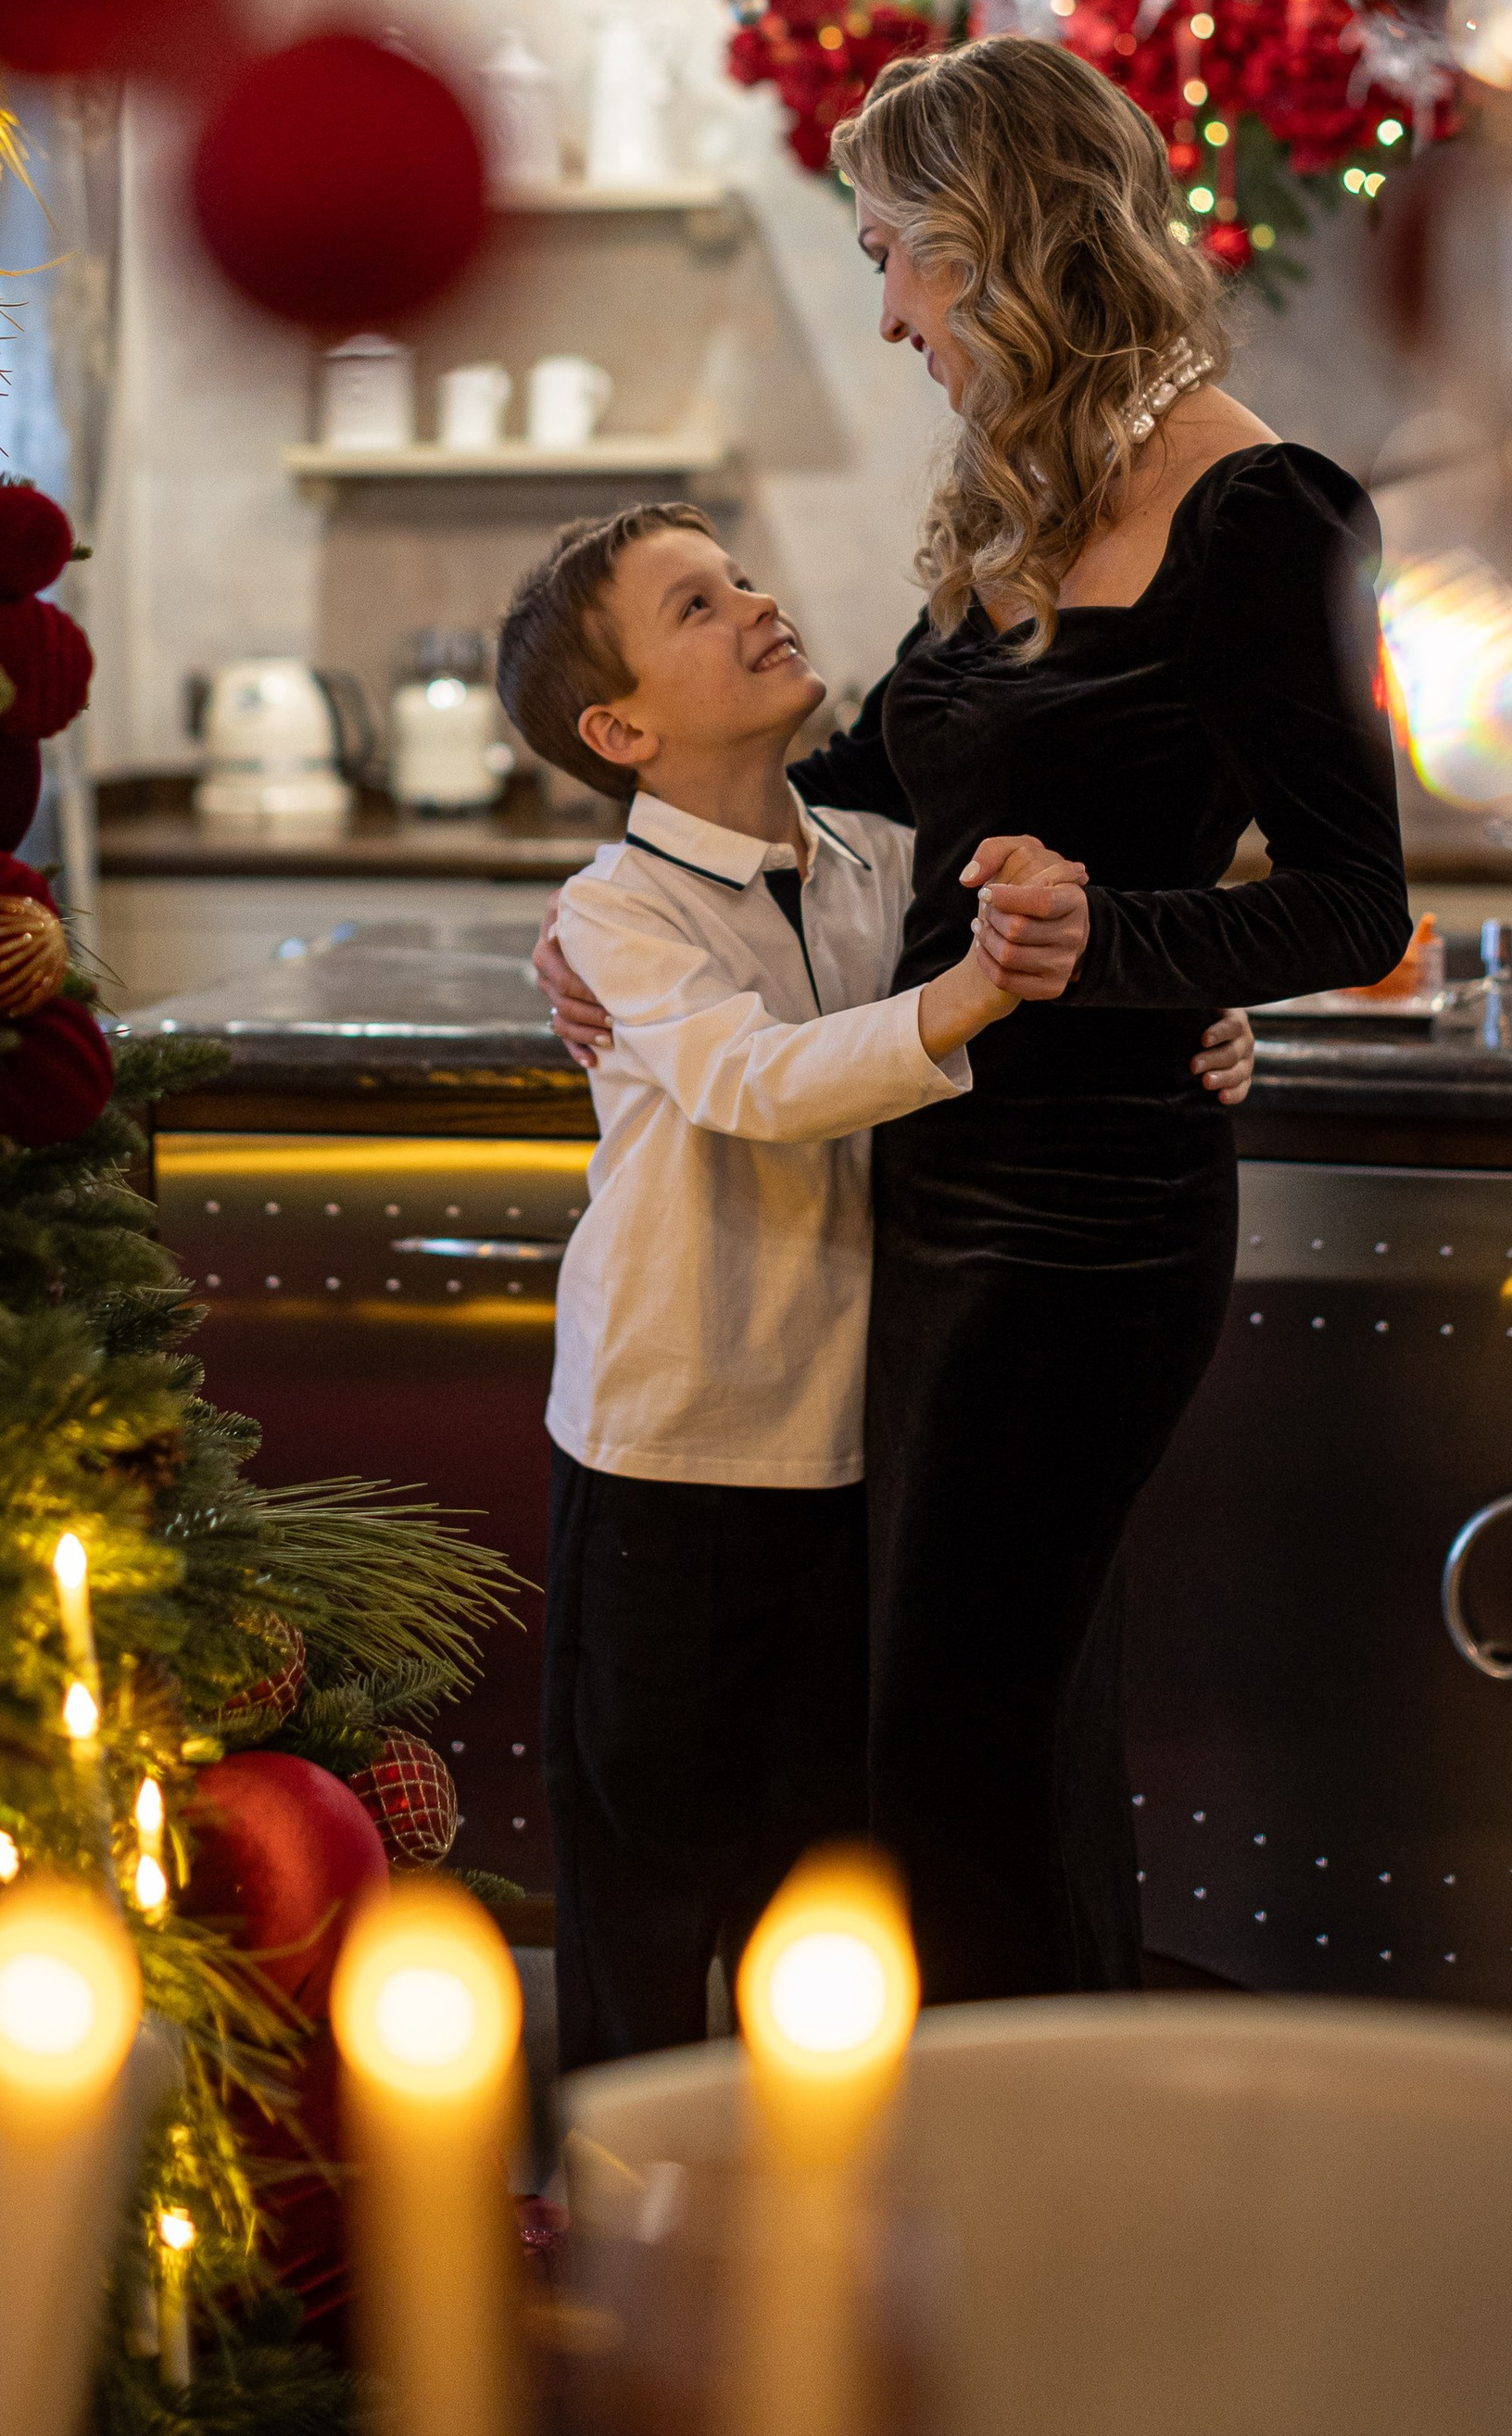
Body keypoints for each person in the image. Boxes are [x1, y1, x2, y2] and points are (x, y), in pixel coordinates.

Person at [539, 34, 1411, 2007]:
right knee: (963, 1740)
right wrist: (622, 910)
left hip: (1088, 1228)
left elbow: (1354, 901)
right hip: (917, 1190)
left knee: (953, 1744)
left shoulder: (1269, 516)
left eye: (893, 261)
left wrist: (1110, 951)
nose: (885, 315)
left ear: (993, 241)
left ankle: (1035, 2192)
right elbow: (856, 788)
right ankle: (1010, 2149)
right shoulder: (1019, 487)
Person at [495, 498, 1252, 2070]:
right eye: (697, 607)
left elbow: (1075, 989)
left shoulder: (885, 858)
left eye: (744, 577)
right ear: (617, 725)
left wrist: (1203, 1022)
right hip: (667, 1457)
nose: (758, 605)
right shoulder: (614, 912)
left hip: (846, 1456)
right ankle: (614, 2212)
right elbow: (752, 1081)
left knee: (813, 1884)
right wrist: (975, 992)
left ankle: (801, 2210)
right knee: (643, 1882)